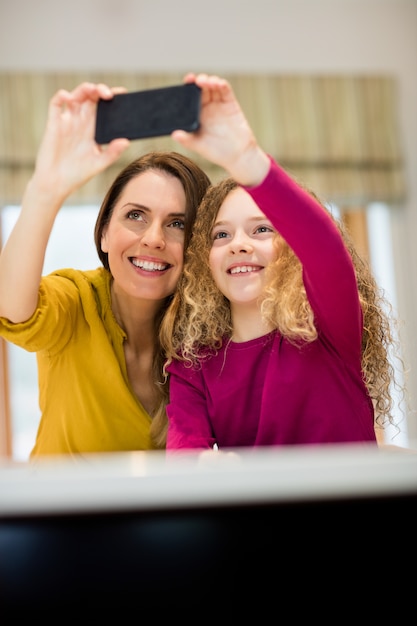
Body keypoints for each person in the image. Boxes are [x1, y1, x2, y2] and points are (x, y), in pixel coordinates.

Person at [161, 72, 404, 451]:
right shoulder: (194, 367)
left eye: (261, 230)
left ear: (293, 250)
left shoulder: (329, 330)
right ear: (204, 261)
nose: (238, 244)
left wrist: (248, 161)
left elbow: (324, 246)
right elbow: (185, 456)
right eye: (221, 235)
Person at [0, 82, 211, 457]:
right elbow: (11, 308)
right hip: (58, 513)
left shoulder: (205, 337)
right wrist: (47, 188)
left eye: (177, 224)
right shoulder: (77, 301)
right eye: (135, 216)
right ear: (103, 234)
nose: (154, 239)